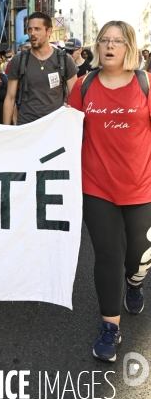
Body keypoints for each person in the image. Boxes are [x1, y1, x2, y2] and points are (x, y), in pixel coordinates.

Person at [69, 20, 151, 362]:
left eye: (117, 41)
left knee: (137, 256)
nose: (109, 46)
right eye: (104, 40)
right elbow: (66, 129)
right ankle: (110, 326)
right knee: (108, 257)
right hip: (97, 186)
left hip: (141, 187)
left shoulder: (145, 84)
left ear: (129, 46)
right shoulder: (84, 85)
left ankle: (135, 282)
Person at [3, 12, 77, 125]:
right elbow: (10, 98)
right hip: (27, 126)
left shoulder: (64, 60)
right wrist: (6, 130)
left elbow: (75, 97)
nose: (32, 33)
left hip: (55, 127)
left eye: (37, 29)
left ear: (49, 31)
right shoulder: (19, 59)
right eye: (29, 29)